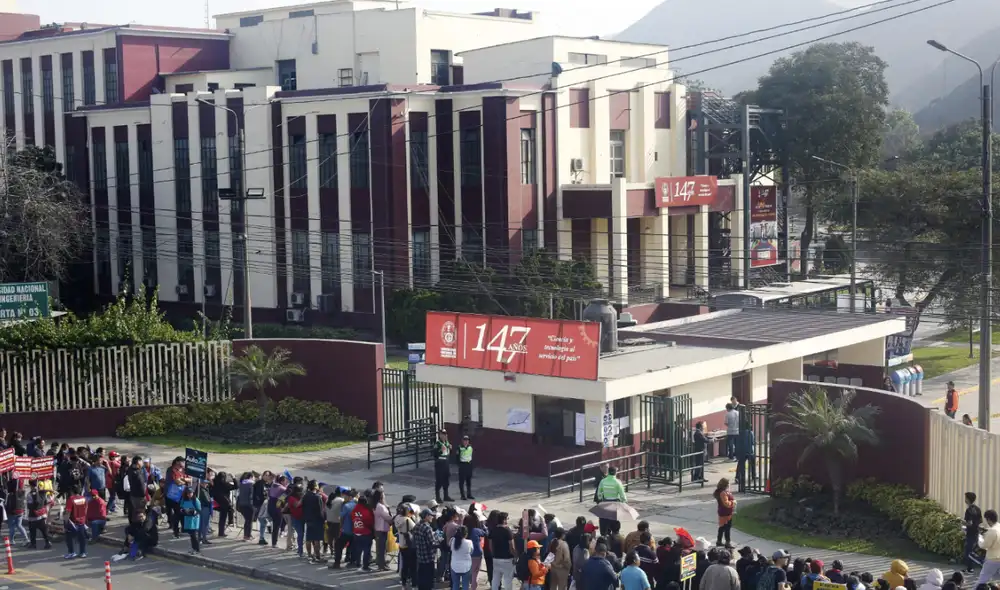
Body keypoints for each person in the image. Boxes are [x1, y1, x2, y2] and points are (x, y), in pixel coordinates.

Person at [596, 466, 627, 536]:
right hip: (615, 503)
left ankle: (605, 535)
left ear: (608, 472)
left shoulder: (603, 481)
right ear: (616, 473)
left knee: (604, 520)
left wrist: (601, 499)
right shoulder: (618, 482)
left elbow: (599, 493)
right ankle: (614, 536)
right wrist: (623, 501)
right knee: (614, 521)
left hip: (605, 502)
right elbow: (622, 495)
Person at [489, 511, 516, 590]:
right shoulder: (507, 531)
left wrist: (493, 554)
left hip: (496, 558)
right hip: (507, 559)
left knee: (495, 578)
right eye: (507, 518)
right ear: (504, 520)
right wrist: (515, 556)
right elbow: (512, 547)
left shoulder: (493, 530)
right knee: (508, 579)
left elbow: (490, 545)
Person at [303, 480, 327, 563]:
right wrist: (324, 519)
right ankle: (317, 556)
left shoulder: (306, 496)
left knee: (309, 538)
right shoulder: (317, 497)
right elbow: (321, 511)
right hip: (317, 520)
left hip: (308, 519)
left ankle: (309, 555)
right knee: (317, 539)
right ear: (315, 487)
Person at [414, 508, 438, 590]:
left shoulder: (417, 526)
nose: (432, 517)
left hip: (420, 556)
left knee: (421, 578)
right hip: (428, 557)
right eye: (431, 515)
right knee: (428, 579)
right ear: (426, 516)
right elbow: (432, 543)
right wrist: (439, 541)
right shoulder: (427, 528)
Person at [396, 502, 418, 590]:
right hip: (409, 545)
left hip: (402, 544)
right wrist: (415, 516)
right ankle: (414, 585)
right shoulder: (408, 520)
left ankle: (403, 584)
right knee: (413, 566)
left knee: (404, 565)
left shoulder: (397, 518)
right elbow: (416, 528)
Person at [25, 479, 52, 549]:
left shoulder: (29, 495)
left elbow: (29, 506)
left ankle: (33, 544)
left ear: (30, 486)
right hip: (42, 515)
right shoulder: (43, 493)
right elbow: (46, 502)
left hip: (33, 516)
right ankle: (47, 542)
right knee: (44, 531)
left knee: (32, 531)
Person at [351, 493, 375, 571]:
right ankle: (365, 566)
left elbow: (352, 519)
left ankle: (358, 563)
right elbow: (370, 522)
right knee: (366, 550)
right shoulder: (366, 511)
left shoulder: (354, 510)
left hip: (356, 532)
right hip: (366, 533)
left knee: (358, 548)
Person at [63, 487, 88, 559]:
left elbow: (68, 512)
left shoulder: (71, 499)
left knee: (69, 537)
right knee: (82, 538)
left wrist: (65, 523)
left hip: (72, 522)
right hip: (82, 521)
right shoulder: (84, 498)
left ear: (72, 491)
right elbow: (86, 510)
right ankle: (82, 553)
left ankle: (71, 553)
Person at [977, 509, 1000, 586]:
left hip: (992, 559)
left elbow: (984, 545)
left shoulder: (992, 531)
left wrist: (979, 537)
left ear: (989, 519)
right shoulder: (998, 527)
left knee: (983, 579)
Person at [965, 492, 984, 573]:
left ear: (968, 499)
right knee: (973, 551)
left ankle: (970, 568)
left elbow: (969, 523)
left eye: (966, 498)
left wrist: (963, 523)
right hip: (976, 532)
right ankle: (972, 567)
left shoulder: (968, 510)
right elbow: (980, 521)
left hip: (970, 533)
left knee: (968, 552)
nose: (965, 499)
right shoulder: (978, 509)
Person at [713, 478, 736, 549]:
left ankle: (719, 541)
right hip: (725, 513)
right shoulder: (723, 493)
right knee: (727, 528)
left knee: (722, 527)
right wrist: (733, 502)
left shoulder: (723, 492)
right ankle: (727, 543)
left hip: (724, 512)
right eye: (728, 483)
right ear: (725, 484)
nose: (729, 485)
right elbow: (726, 504)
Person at [373, 489, 392, 570]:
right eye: (384, 495)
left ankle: (381, 563)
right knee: (381, 548)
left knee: (381, 548)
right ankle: (381, 565)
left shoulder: (377, 505)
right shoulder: (380, 507)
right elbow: (387, 517)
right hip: (381, 529)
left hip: (379, 529)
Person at [179, 486, 201, 555]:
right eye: (188, 493)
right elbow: (181, 507)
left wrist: (193, 512)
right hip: (187, 519)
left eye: (190, 493)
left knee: (194, 535)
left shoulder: (195, 500)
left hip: (194, 520)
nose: (189, 494)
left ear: (193, 493)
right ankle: (193, 548)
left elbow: (199, 510)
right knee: (191, 535)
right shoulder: (184, 499)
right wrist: (183, 511)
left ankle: (197, 549)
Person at [451, 525, 474, 590]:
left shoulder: (452, 540)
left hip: (454, 566)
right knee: (465, 585)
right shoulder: (469, 542)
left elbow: (451, 549)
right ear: (466, 534)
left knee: (455, 585)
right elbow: (471, 552)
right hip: (466, 567)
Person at [435, 429, 455, 503]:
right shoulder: (438, 444)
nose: (444, 436)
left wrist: (451, 449)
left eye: (445, 434)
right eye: (443, 434)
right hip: (439, 465)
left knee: (446, 481)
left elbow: (448, 454)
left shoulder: (447, 443)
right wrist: (440, 450)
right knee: (439, 481)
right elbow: (435, 455)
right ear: (440, 435)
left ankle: (446, 496)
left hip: (446, 465)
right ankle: (438, 497)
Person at [458, 435, 475, 501]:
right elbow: (457, 457)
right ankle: (462, 495)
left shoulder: (470, 447)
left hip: (469, 465)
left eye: (467, 440)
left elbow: (471, 455)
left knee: (468, 480)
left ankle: (469, 494)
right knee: (462, 481)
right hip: (462, 465)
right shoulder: (459, 447)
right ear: (462, 441)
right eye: (465, 440)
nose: (466, 442)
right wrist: (460, 465)